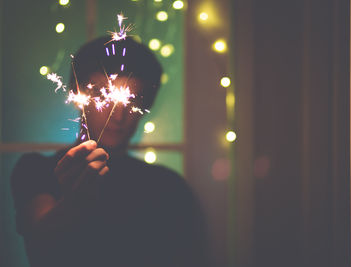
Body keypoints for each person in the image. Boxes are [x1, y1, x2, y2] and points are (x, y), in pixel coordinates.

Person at [11, 36, 209, 267]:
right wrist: (75, 200)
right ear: (79, 96)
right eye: (104, 96)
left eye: (131, 100)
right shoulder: (38, 170)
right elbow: (40, 242)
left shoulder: (168, 187)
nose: (118, 115)